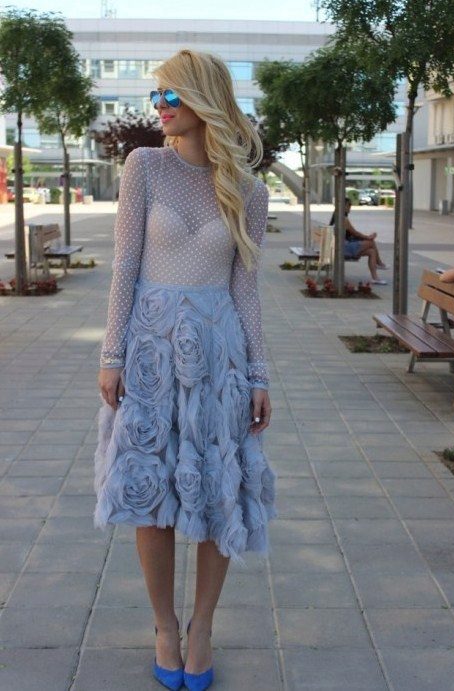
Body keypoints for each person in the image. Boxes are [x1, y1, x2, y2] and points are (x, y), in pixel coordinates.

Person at [94, 49, 277, 691]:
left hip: (220, 360)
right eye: (157, 96)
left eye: (172, 95)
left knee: (216, 490)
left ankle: (202, 629)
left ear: (204, 100)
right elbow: (124, 266)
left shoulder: (249, 191)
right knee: (151, 491)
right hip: (150, 353)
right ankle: (164, 626)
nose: (161, 107)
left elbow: (246, 289)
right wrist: (112, 354)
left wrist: (260, 374)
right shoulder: (144, 167)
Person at [330, 197, 389, 284]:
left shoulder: (336, 217)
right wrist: (368, 237)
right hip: (343, 248)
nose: (350, 207)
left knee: (372, 252)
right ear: (344, 206)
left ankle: (375, 278)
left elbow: (352, 235)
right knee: (371, 242)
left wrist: (367, 237)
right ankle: (379, 263)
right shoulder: (343, 219)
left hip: (341, 247)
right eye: (349, 205)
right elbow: (355, 233)